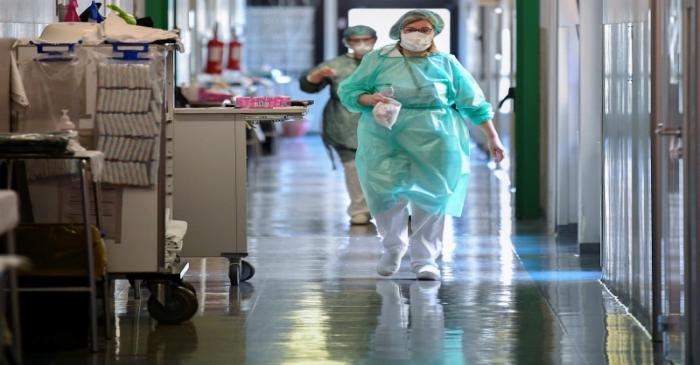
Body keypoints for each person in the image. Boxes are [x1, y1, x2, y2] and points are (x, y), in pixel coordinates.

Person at [338, 10, 505, 281]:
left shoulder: (446, 63)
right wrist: (370, 100)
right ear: (400, 31)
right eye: (412, 28)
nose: (418, 34)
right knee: (386, 194)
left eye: (425, 29)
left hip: (436, 137)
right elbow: (349, 91)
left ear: (434, 33)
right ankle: (393, 247)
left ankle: (425, 259)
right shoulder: (378, 59)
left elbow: (472, 102)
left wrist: (492, 137)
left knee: (433, 196)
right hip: (385, 137)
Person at [299, 25, 377, 225]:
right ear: (347, 42)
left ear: (374, 40)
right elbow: (308, 85)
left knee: (383, 167)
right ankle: (359, 209)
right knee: (352, 167)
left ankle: (388, 209)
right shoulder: (335, 65)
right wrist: (315, 77)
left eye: (366, 40)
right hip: (343, 122)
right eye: (356, 40)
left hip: (380, 121)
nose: (361, 44)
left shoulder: (384, 62)